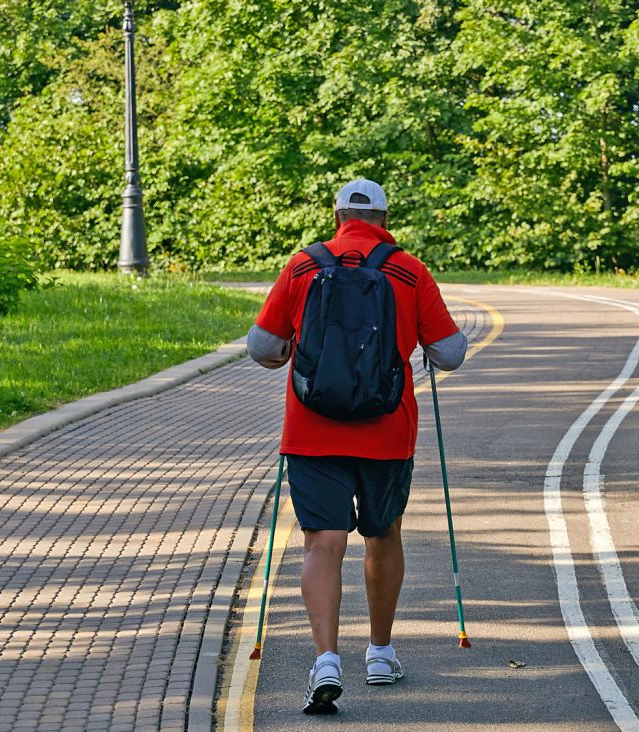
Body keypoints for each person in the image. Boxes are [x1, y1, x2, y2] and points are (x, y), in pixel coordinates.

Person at [247, 178, 468, 714]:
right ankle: (380, 652)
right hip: (387, 432)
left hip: (310, 430)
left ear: (337, 214)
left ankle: (326, 659)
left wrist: (288, 353)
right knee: (382, 534)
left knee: (321, 542)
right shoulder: (408, 269)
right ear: (385, 217)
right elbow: (452, 353)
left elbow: (262, 347)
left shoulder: (303, 266)